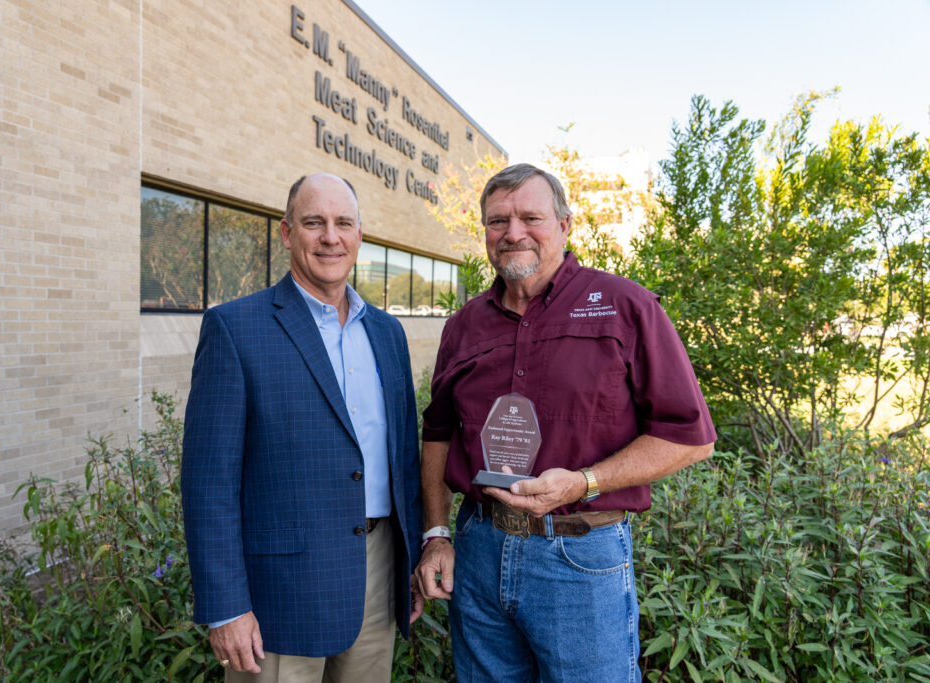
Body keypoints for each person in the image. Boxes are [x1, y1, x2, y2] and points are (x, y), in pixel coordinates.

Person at [415, 164, 716, 682]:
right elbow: (438, 434)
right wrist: (436, 534)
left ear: (564, 224)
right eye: (497, 221)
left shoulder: (626, 307)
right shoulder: (464, 326)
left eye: (531, 217)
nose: (513, 233)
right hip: (480, 549)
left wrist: (583, 482)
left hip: (579, 555)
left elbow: (688, 439)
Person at [181, 173, 424, 682]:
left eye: (343, 224)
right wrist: (227, 607)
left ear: (360, 235)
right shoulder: (235, 328)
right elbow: (209, 482)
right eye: (314, 223)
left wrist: (409, 564)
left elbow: (402, 460)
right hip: (279, 593)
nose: (330, 237)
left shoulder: (387, 333)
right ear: (288, 233)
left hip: (378, 572)